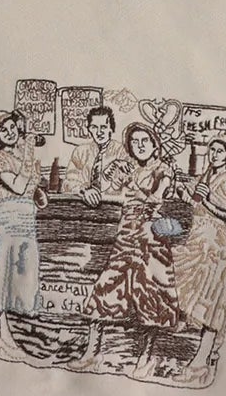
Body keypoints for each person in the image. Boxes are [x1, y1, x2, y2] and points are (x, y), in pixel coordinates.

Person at [91, 122, 183, 329]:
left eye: (144, 141)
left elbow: (155, 200)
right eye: (134, 142)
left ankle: (152, 340)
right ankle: (98, 338)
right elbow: (111, 192)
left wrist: (131, 184)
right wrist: (110, 176)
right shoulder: (130, 168)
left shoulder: (163, 170)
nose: (139, 145)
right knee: (111, 279)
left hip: (149, 233)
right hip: (126, 231)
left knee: (150, 285)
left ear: (154, 144)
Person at [0, 110, 45, 343]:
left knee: (21, 273)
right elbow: (17, 185)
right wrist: (29, 151)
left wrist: (39, 195)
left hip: (26, 218)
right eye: (3, 130)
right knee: (2, 272)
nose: (9, 132)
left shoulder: (21, 156)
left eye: (12, 127)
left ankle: (1, 332)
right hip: (7, 219)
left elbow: (29, 187)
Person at [67, 104, 127, 204]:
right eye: (94, 127)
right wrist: (83, 190)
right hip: (83, 204)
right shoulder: (80, 151)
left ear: (111, 128)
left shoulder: (122, 151)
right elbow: (68, 182)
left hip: (112, 204)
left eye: (103, 127)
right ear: (89, 129)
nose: (99, 132)